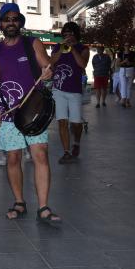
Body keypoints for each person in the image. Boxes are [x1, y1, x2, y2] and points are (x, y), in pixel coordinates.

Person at [0, 3, 60, 223]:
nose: (11, 22)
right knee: (13, 158)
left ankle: (44, 207)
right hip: (9, 115)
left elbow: (47, 67)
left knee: (40, 155)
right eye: (7, 19)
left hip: (34, 110)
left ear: (20, 23)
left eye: (15, 19)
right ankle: (19, 202)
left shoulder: (32, 44)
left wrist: (48, 72)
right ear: (1, 24)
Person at [50, 22, 89, 164]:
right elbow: (51, 62)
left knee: (76, 123)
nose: (67, 36)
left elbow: (82, 64)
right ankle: (66, 152)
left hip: (75, 90)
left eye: (70, 33)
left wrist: (72, 49)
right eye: (65, 34)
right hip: (58, 89)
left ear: (75, 34)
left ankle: (76, 143)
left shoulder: (83, 48)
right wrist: (61, 49)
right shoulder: (57, 47)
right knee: (62, 121)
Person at [118, 43, 135, 108]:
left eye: (128, 45)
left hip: (130, 69)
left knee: (129, 86)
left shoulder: (133, 53)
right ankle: (123, 99)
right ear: (124, 46)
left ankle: (127, 100)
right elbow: (118, 63)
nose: (127, 46)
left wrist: (130, 63)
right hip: (123, 69)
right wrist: (123, 62)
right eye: (125, 45)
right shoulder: (120, 53)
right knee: (123, 84)